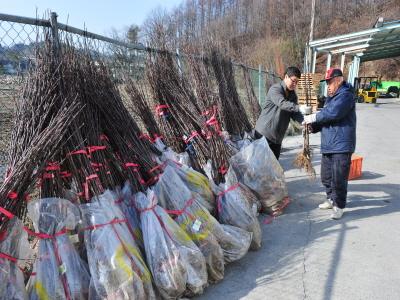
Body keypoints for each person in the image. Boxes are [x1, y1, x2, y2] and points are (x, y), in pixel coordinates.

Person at [304, 68, 356, 220]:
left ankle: (339, 205)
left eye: (330, 82)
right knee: (326, 177)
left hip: (341, 145)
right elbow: (326, 119)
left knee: (339, 178)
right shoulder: (330, 99)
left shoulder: (346, 96)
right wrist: (312, 126)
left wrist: (313, 117)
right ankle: (330, 198)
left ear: (339, 80)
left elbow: (334, 113)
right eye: (326, 83)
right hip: (328, 144)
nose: (328, 85)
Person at [255, 66, 306, 160]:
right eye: (293, 81)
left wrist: (304, 121)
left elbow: (294, 113)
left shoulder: (292, 95)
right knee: (260, 168)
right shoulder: (275, 89)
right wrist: (299, 107)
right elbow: (282, 103)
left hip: (277, 138)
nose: (295, 84)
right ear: (286, 77)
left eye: (297, 82)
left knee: (273, 169)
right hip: (264, 134)